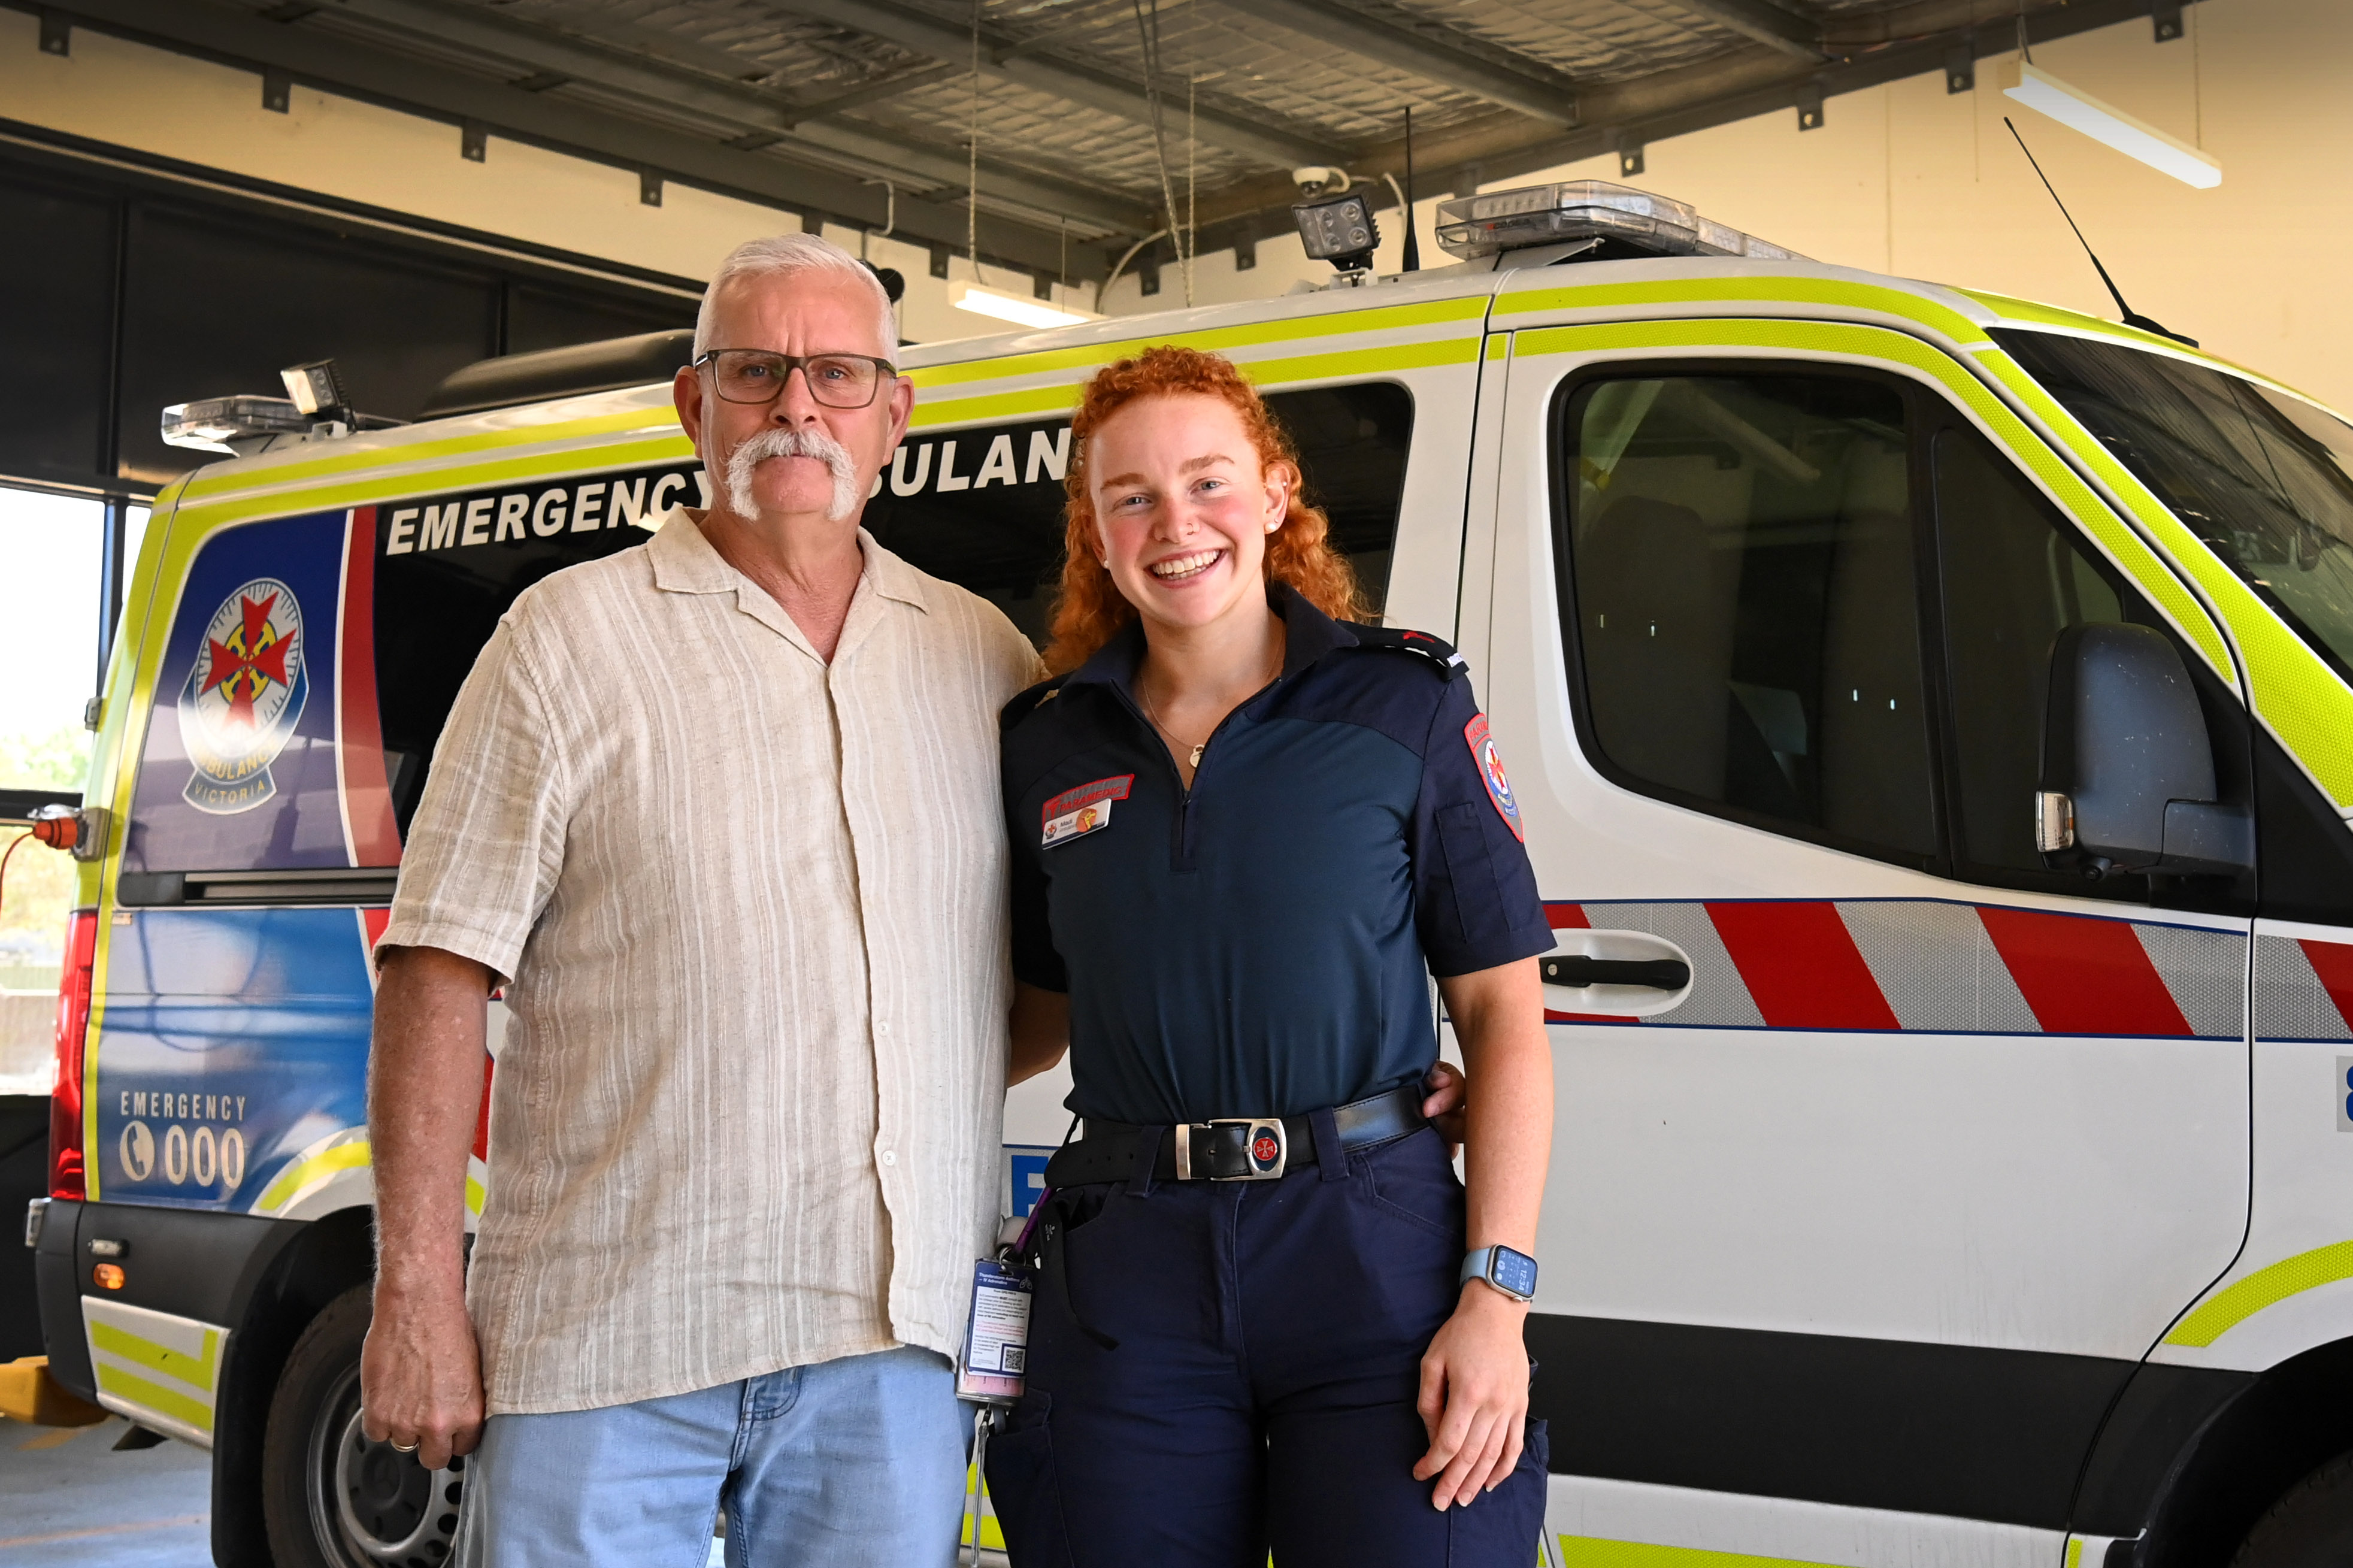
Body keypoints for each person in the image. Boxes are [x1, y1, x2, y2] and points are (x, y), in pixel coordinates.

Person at [358, 233, 1046, 1565]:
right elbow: (439, 967)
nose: (798, 405)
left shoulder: (985, 658)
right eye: (755, 369)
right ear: (693, 403)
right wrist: (417, 1291)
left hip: (887, 1353)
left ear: (894, 417)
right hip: (611, 1345)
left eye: (839, 373)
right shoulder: (565, 639)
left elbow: (1048, 969)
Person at [987, 345, 1557, 1566]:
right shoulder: (1045, 745)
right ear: (1094, 528)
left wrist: (1494, 1297)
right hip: (1130, 1271)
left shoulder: (1404, 709)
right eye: (1129, 495)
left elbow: (1505, 1018)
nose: (1174, 522)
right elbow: (1034, 1014)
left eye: (1208, 481)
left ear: (1278, 491)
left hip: (1373, 1254)